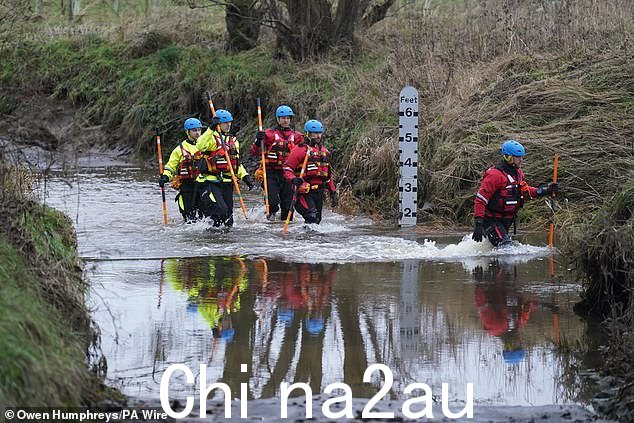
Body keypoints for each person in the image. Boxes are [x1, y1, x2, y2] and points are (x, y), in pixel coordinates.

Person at [472, 140, 558, 247]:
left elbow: (524, 191)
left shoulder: (518, 173)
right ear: (508, 157)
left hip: (506, 220)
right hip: (491, 220)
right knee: (506, 247)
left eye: (521, 157)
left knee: (503, 249)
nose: (520, 160)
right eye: (517, 157)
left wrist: (544, 191)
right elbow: (481, 200)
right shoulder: (495, 175)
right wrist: (478, 223)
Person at [196, 109, 255, 227]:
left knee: (228, 219)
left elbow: (236, 163)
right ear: (218, 124)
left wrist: (245, 176)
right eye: (225, 123)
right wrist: (210, 129)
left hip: (227, 181)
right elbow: (200, 146)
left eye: (230, 122)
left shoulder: (234, 141)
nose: (228, 125)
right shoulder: (211, 137)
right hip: (212, 181)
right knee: (221, 210)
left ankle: (222, 238)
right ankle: (208, 227)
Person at [251, 105, 303, 221]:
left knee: (288, 207)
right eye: (283, 118)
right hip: (271, 172)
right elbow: (255, 152)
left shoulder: (297, 136)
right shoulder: (268, 134)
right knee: (273, 203)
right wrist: (258, 140)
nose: (286, 120)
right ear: (278, 119)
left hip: (288, 173)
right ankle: (270, 219)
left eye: (288, 118)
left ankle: (285, 228)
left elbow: (303, 154)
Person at [282, 120, 338, 224]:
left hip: (318, 192)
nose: (318, 136)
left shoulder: (325, 152)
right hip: (303, 192)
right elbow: (287, 168)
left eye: (319, 133)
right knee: (311, 216)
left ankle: (309, 239)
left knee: (317, 220)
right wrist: (293, 179)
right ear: (308, 134)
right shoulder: (299, 150)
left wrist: (333, 192)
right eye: (315, 133)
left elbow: (328, 176)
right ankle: (302, 238)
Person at [158, 118, 204, 222]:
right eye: (194, 130)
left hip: (202, 185)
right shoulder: (180, 149)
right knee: (189, 218)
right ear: (188, 132)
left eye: (199, 130)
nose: (197, 133)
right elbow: (171, 166)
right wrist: (165, 177)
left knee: (204, 217)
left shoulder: (205, 146)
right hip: (186, 186)